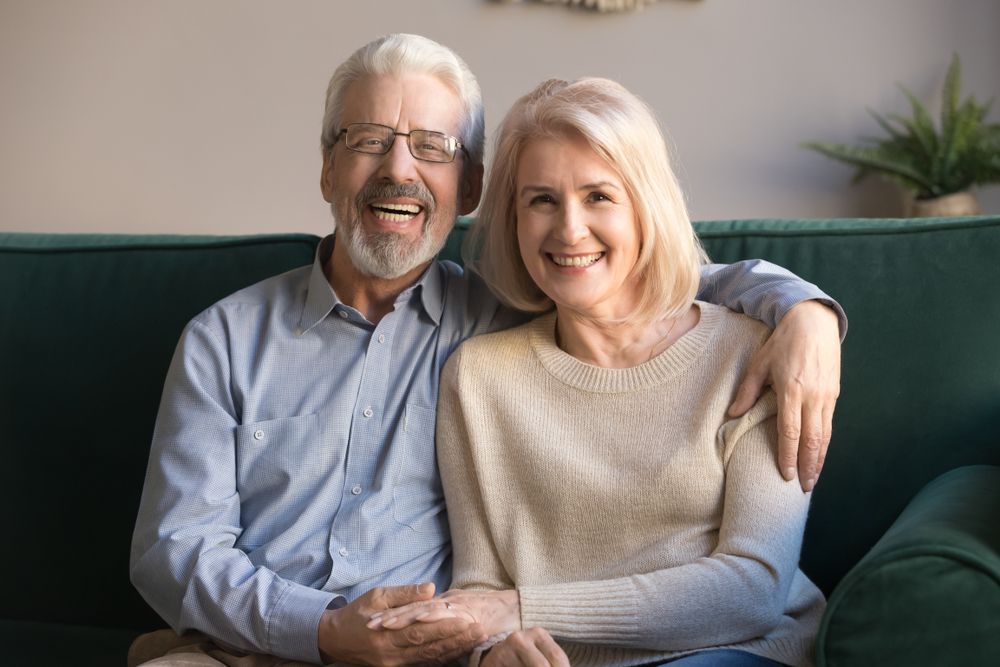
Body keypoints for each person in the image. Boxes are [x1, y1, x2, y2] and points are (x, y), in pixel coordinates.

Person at [129, 34, 841, 667]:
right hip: (250, 644)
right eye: (368, 139)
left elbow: (631, 281)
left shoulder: (503, 316)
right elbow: (175, 550)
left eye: (431, 146)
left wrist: (805, 310)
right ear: (326, 168)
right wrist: (321, 629)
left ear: (468, 185)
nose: (397, 169)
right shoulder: (227, 339)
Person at [370, 77, 826, 666]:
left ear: (646, 207)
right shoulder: (477, 377)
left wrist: (523, 609)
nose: (569, 230)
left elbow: (752, 589)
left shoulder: (752, 351)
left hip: (735, 651)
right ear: (513, 219)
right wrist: (492, 655)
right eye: (542, 200)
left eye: (599, 197)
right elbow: (482, 590)